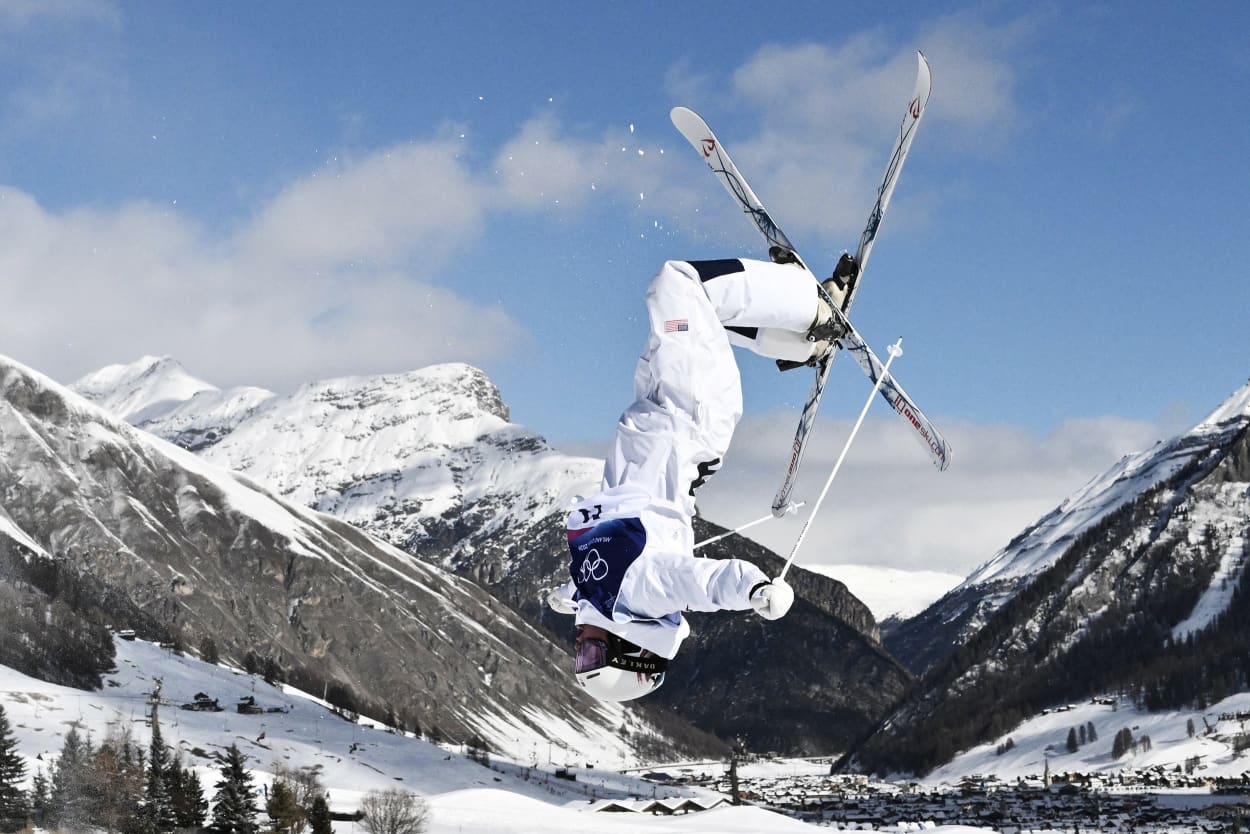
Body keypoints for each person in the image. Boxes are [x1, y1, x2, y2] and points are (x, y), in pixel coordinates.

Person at [546, 256, 844, 702]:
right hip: (690, 415)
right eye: (591, 654)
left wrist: (564, 597)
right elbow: (704, 583)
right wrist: (756, 590)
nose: (579, 648)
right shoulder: (647, 590)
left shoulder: (598, 594)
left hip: (654, 405)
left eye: (580, 658)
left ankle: (800, 342)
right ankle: (815, 307)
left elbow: (586, 584)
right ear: (630, 644)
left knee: (695, 318)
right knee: (678, 284)